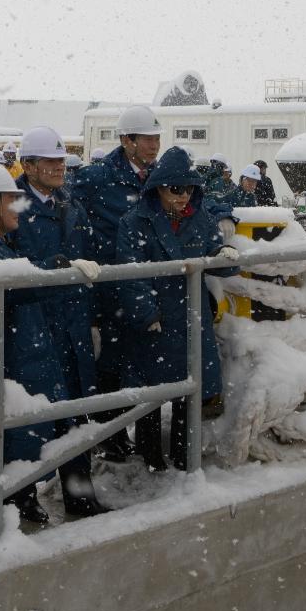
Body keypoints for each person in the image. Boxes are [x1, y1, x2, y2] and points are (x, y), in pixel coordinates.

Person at [115, 147, 239, 470]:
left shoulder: (201, 219)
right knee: (152, 397)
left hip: (188, 318)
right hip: (157, 320)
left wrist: (224, 255)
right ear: (158, 187)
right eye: (175, 189)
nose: (183, 196)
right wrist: (145, 312)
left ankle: (185, 459)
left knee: (189, 393)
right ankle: (151, 460)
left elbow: (214, 254)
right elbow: (129, 270)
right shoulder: (135, 222)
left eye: (189, 189)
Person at [0, 165, 66, 522]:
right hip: (10, 363)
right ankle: (7, 506)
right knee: (11, 444)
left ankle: (17, 498)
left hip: (21, 357)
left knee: (22, 441)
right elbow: (17, 282)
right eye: (11, 201)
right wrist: (56, 268)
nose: (19, 208)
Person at [11, 126, 109, 517]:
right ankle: (22, 498)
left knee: (75, 415)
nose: (58, 168)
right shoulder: (12, 205)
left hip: (71, 325)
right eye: (48, 162)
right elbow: (11, 267)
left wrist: (92, 317)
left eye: (60, 161)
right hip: (33, 326)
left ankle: (80, 495)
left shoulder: (71, 204)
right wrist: (50, 271)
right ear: (28, 165)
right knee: (29, 417)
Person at [71, 105, 164, 460]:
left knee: (146, 364)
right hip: (110, 286)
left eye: (157, 138)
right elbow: (69, 210)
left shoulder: (157, 175)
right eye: (147, 138)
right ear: (127, 140)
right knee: (111, 364)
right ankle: (110, 437)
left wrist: (226, 215)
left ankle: (147, 442)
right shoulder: (98, 177)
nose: (154, 145)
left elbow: (197, 196)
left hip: (144, 285)